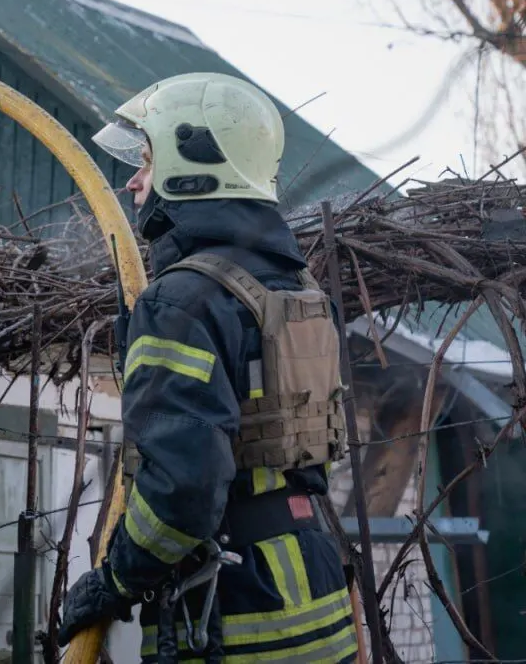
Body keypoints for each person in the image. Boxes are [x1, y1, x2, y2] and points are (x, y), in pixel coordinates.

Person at [59, 72, 355, 662]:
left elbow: (184, 488)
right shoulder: (294, 287)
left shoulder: (182, 300)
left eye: (146, 160)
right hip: (317, 589)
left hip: (235, 612)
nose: (132, 181)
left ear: (191, 163)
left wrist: (114, 581)